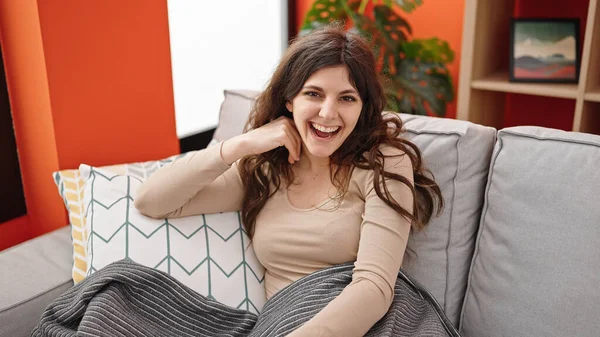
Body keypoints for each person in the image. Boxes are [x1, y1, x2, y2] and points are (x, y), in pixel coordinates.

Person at [134, 24, 443, 337]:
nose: (327, 113)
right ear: (289, 100)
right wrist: (238, 146)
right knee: (119, 291)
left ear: (363, 108)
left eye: (347, 98)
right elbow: (153, 201)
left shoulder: (383, 163)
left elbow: (374, 287)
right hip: (280, 322)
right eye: (314, 94)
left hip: (364, 326)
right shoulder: (265, 172)